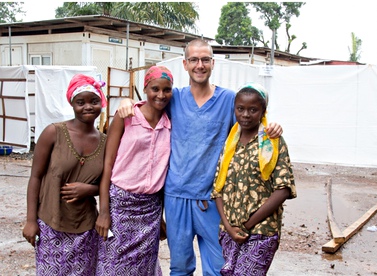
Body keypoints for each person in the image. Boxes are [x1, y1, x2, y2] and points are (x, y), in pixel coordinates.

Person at [117, 38, 283, 275]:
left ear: (213, 63)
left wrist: (272, 126)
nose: (199, 65)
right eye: (194, 59)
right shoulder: (175, 99)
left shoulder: (228, 100)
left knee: (218, 268)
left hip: (213, 199)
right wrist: (127, 102)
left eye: (205, 59)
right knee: (181, 267)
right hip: (176, 197)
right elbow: (150, 105)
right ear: (185, 64)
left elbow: (252, 120)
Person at [22, 74, 107, 275]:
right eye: (81, 102)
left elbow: (109, 184)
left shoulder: (106, 142)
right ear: (72, 103)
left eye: (94, 101)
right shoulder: (54, 133)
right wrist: (31, 220)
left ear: (101, 103)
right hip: (51, 223)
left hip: (86, 228)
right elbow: (35, 177)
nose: (88, 107)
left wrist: (90, 189)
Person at [211, 82, 297, 275]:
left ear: (263, 111)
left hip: (261, 231)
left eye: (253, 110)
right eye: (240, 109)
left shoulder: (272, 142)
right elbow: (218, 189)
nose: (246, 115)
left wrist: (247, 225)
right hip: (229, 231)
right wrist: (229, 227)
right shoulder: (230, 143)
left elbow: (283, 188)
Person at [95, 65, 173, 275]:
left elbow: (165, 172)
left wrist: (162, 216)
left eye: (167, 90)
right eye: (155, 89)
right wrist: (103, 212)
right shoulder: (126, 116)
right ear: (145, 88)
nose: (160, 95)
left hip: (151, 209)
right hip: (121, 205)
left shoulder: (171, 121)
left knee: (145, 267)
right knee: (113, 265)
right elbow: (108, 164)